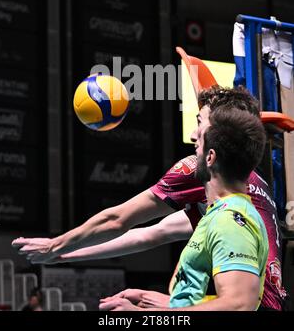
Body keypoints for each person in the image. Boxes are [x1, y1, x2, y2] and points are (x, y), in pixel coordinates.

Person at [12, 86, 287, 310]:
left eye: (199, 124)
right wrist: (66, 253)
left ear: (213, 151)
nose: (192, 136)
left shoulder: (228, 214)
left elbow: (117, 218)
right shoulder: (227, 202)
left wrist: (56, 245)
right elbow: (153, 233)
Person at [99, 107, 269, 311]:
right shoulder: (216, 213)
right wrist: (163, 304)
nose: (193, 141)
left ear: (210, 157)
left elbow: (238, 305)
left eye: (199, 141)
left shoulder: (231, 221)